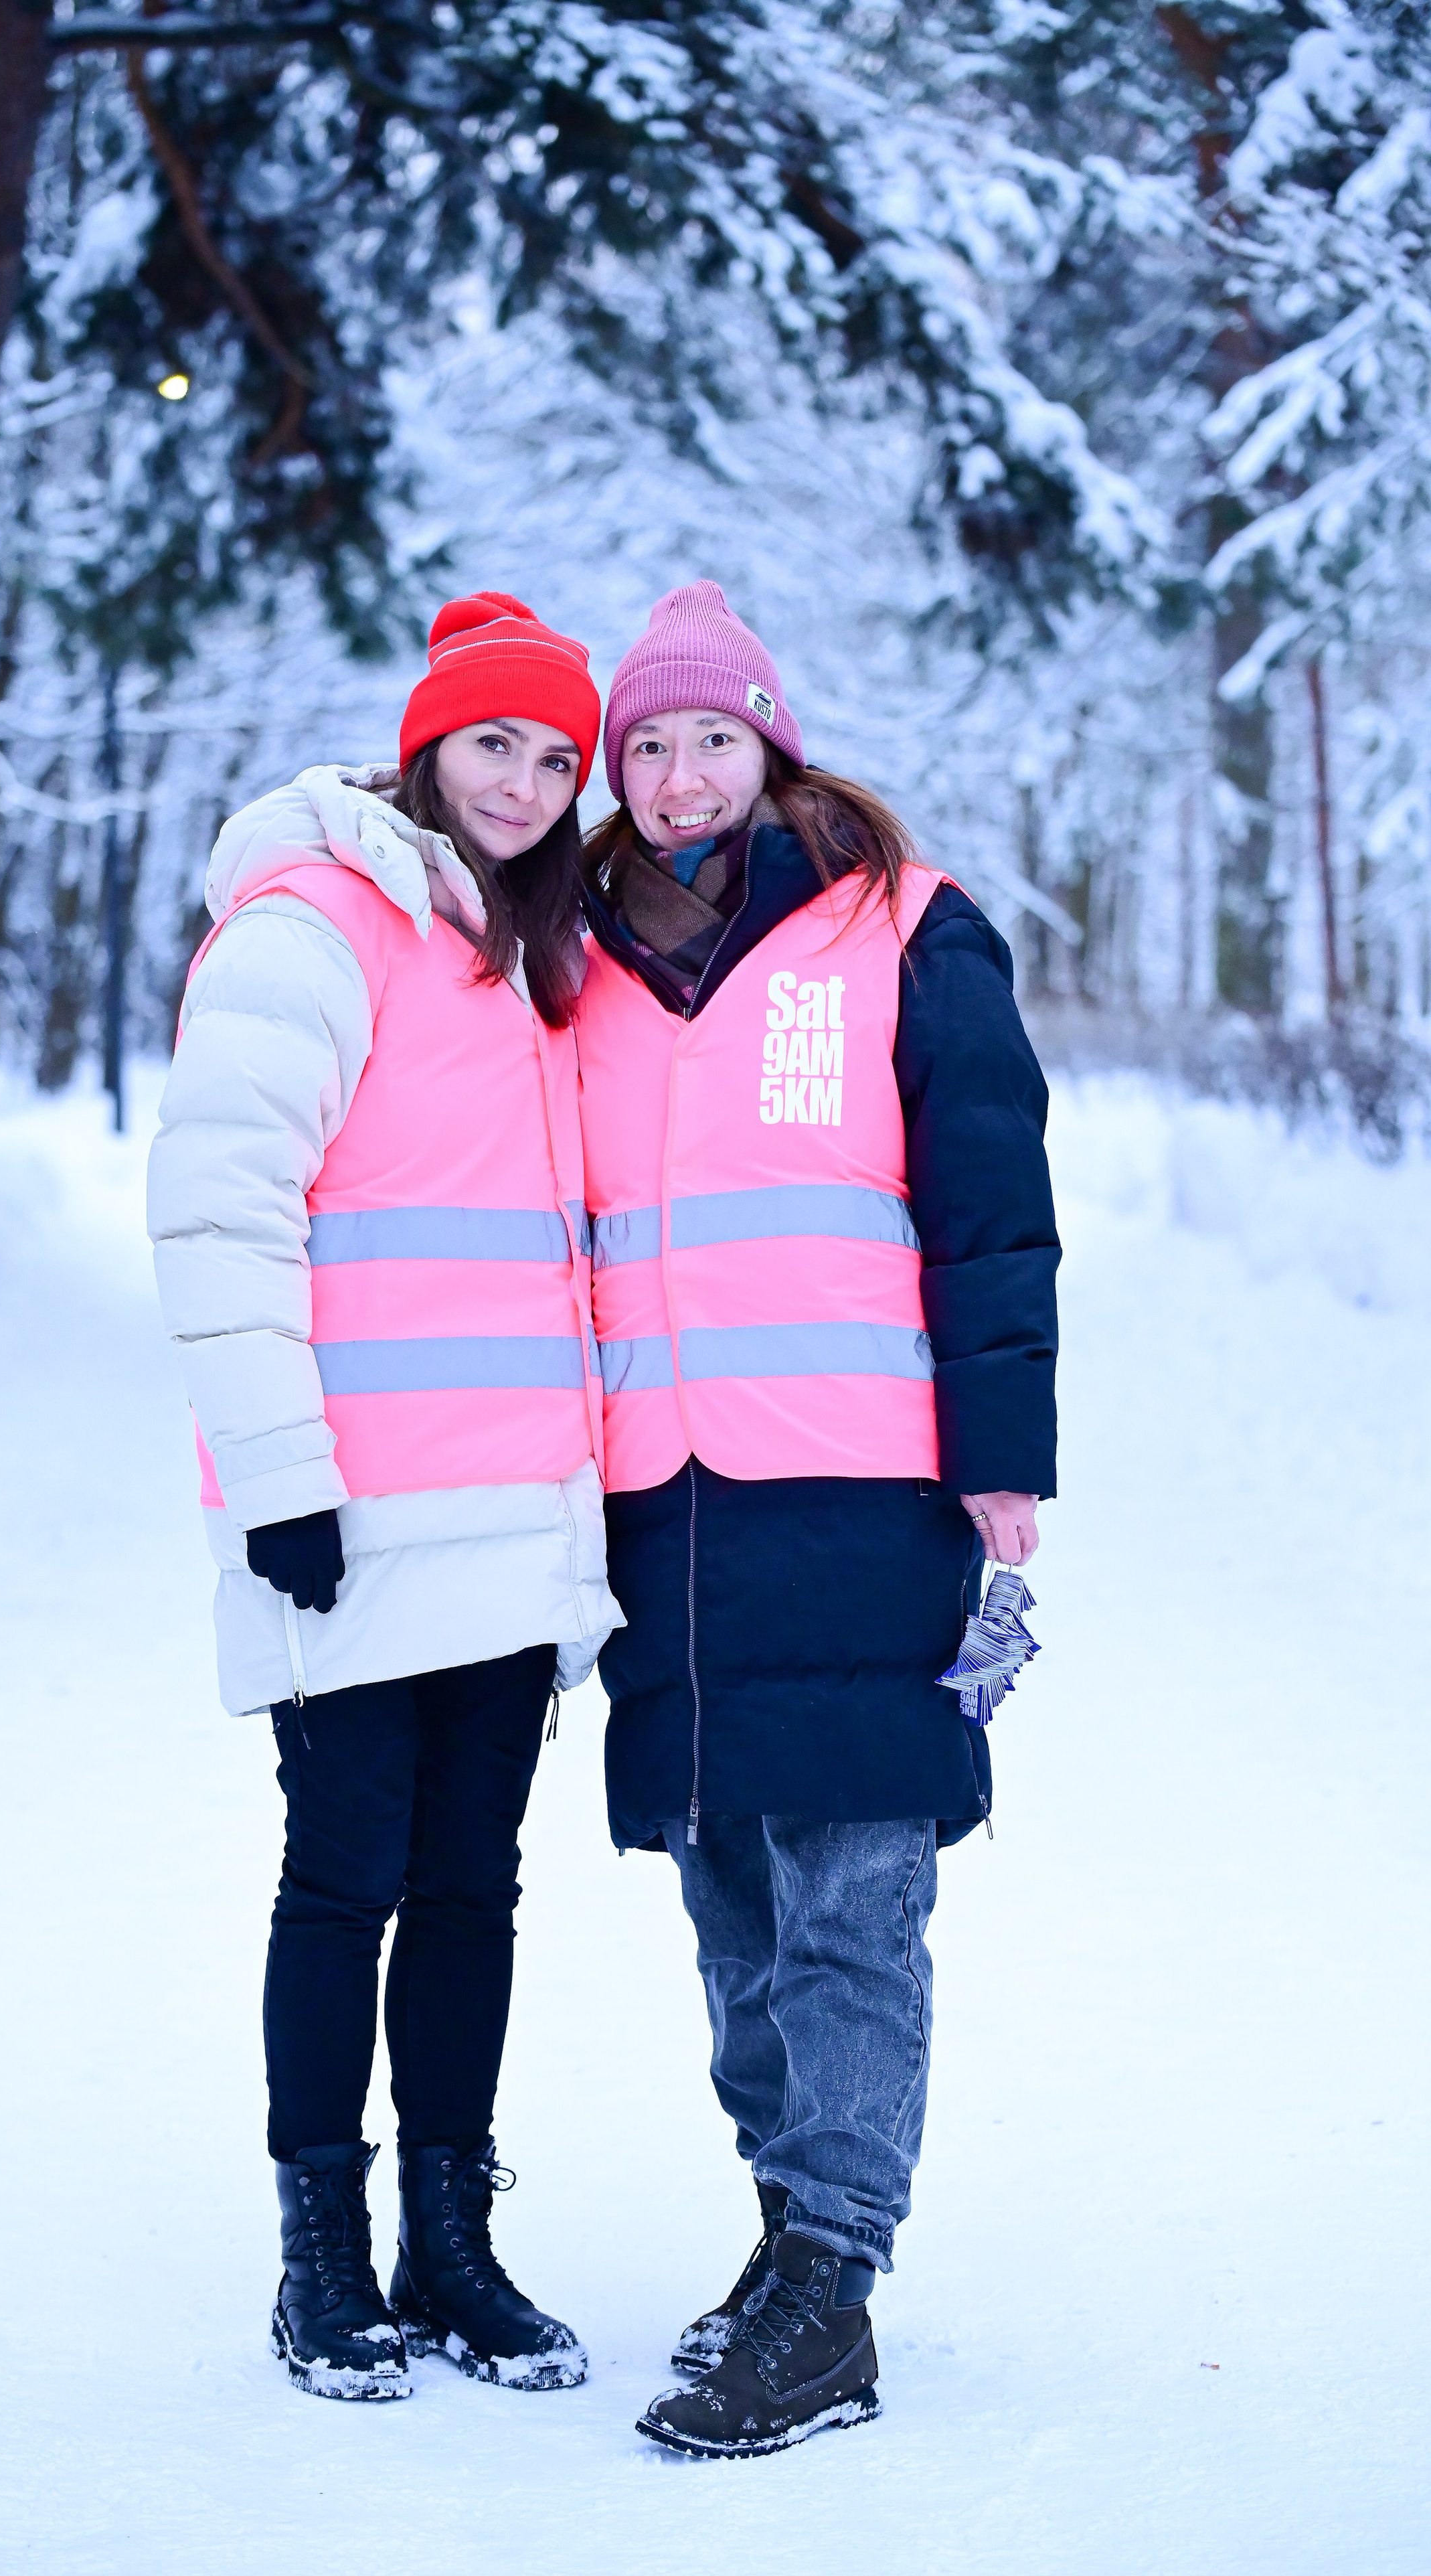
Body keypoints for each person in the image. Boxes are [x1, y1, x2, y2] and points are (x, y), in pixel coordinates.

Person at [573, 581, 1059, 2458]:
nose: (682, 774)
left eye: (714, 735)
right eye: (651, 745)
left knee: (858, 1883)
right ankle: (793, 2228)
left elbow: (993, 1206)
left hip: (861, 1485)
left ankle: (835, 2272)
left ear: (774, 742)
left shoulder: (909, 933)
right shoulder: (586, 964)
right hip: (669, 1503)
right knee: (732, 1891)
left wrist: (1003, 1456)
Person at [147, 592, 620, 2404]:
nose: (525, 779)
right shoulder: (319, 920)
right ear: (428, 746)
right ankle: (322, 2260)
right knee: (344, 1880)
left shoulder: (525, 952)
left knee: (475, 1887)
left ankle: (454, 2245)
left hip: (510, 1520)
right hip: (350, 1514)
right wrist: (279, 1474)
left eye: (555, 755)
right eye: (494, 741)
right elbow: (219, 1205)